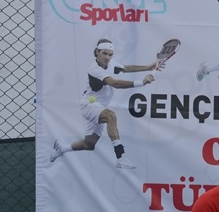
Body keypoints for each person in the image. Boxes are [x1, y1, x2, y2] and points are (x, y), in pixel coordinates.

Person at [49, 38, 157, 169]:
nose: (107, 57)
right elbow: (115, 83)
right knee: (110, 116)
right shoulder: (94, 69)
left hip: (99, 107)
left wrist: (148, 67)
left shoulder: (111, 63)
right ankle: (121, 156)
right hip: (88, 105)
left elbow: (125, 68)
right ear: (97, 52)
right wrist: (142, 82)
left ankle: (62, 148)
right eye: (104, 53)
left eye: (110, 54)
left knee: (89, 144)